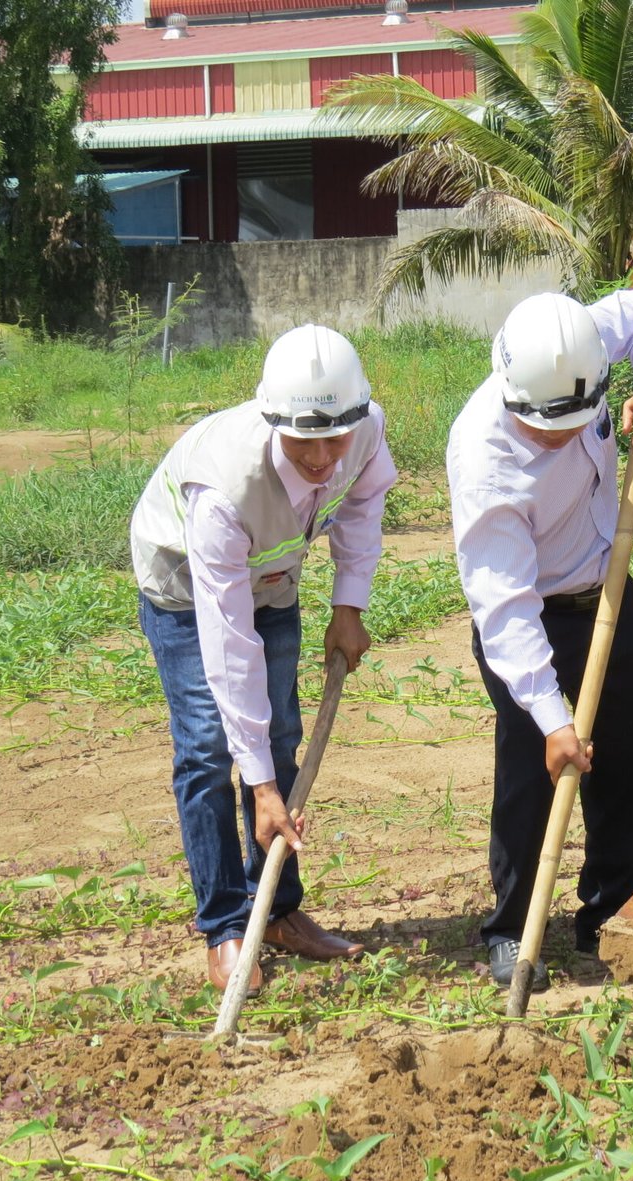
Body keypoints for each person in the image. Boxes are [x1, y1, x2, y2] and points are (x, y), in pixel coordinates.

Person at [130, 324, 397, 995]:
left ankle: (276, 910)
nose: (322, 455)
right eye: (305, 440)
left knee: (281, 738)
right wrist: (263, 790)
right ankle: (224, 925)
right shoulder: (223, 488)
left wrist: (348, 607)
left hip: (273, 572)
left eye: (334, 437)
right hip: (187, 589)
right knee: (206, 748)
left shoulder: (361, 430)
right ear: (274, 419)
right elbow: (229, 648)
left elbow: (363, 505)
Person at [447, 289, 633, 990]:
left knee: (631, 758)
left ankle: (609, 916)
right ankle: (514, 931)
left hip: (605, 592)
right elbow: (505, 611)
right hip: (530, 618)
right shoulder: (485, 460)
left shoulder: (577, 343)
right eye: (548, 427)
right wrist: (552, 720)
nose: (562, 435)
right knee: (531, 777)